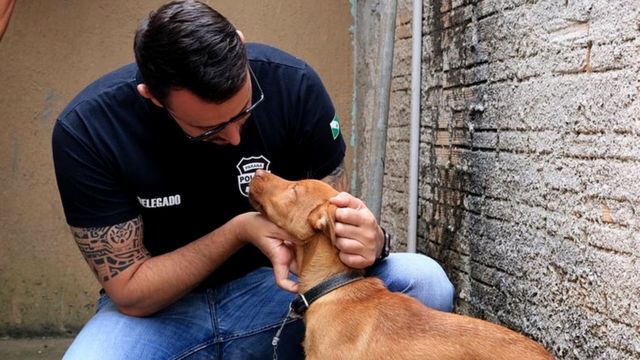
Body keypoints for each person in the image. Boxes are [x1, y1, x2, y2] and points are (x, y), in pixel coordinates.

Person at [52, 1, 454, 359]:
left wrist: (373, 241)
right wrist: (239, 231)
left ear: (241, 47)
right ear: (153, 97)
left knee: (423, 279)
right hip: (160, 316)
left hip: (278, 294)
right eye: (207, 130)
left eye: (244, 111)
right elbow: (132, 294)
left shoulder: (294, 85)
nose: (234, 138)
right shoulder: (88, 130)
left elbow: (332, 219)